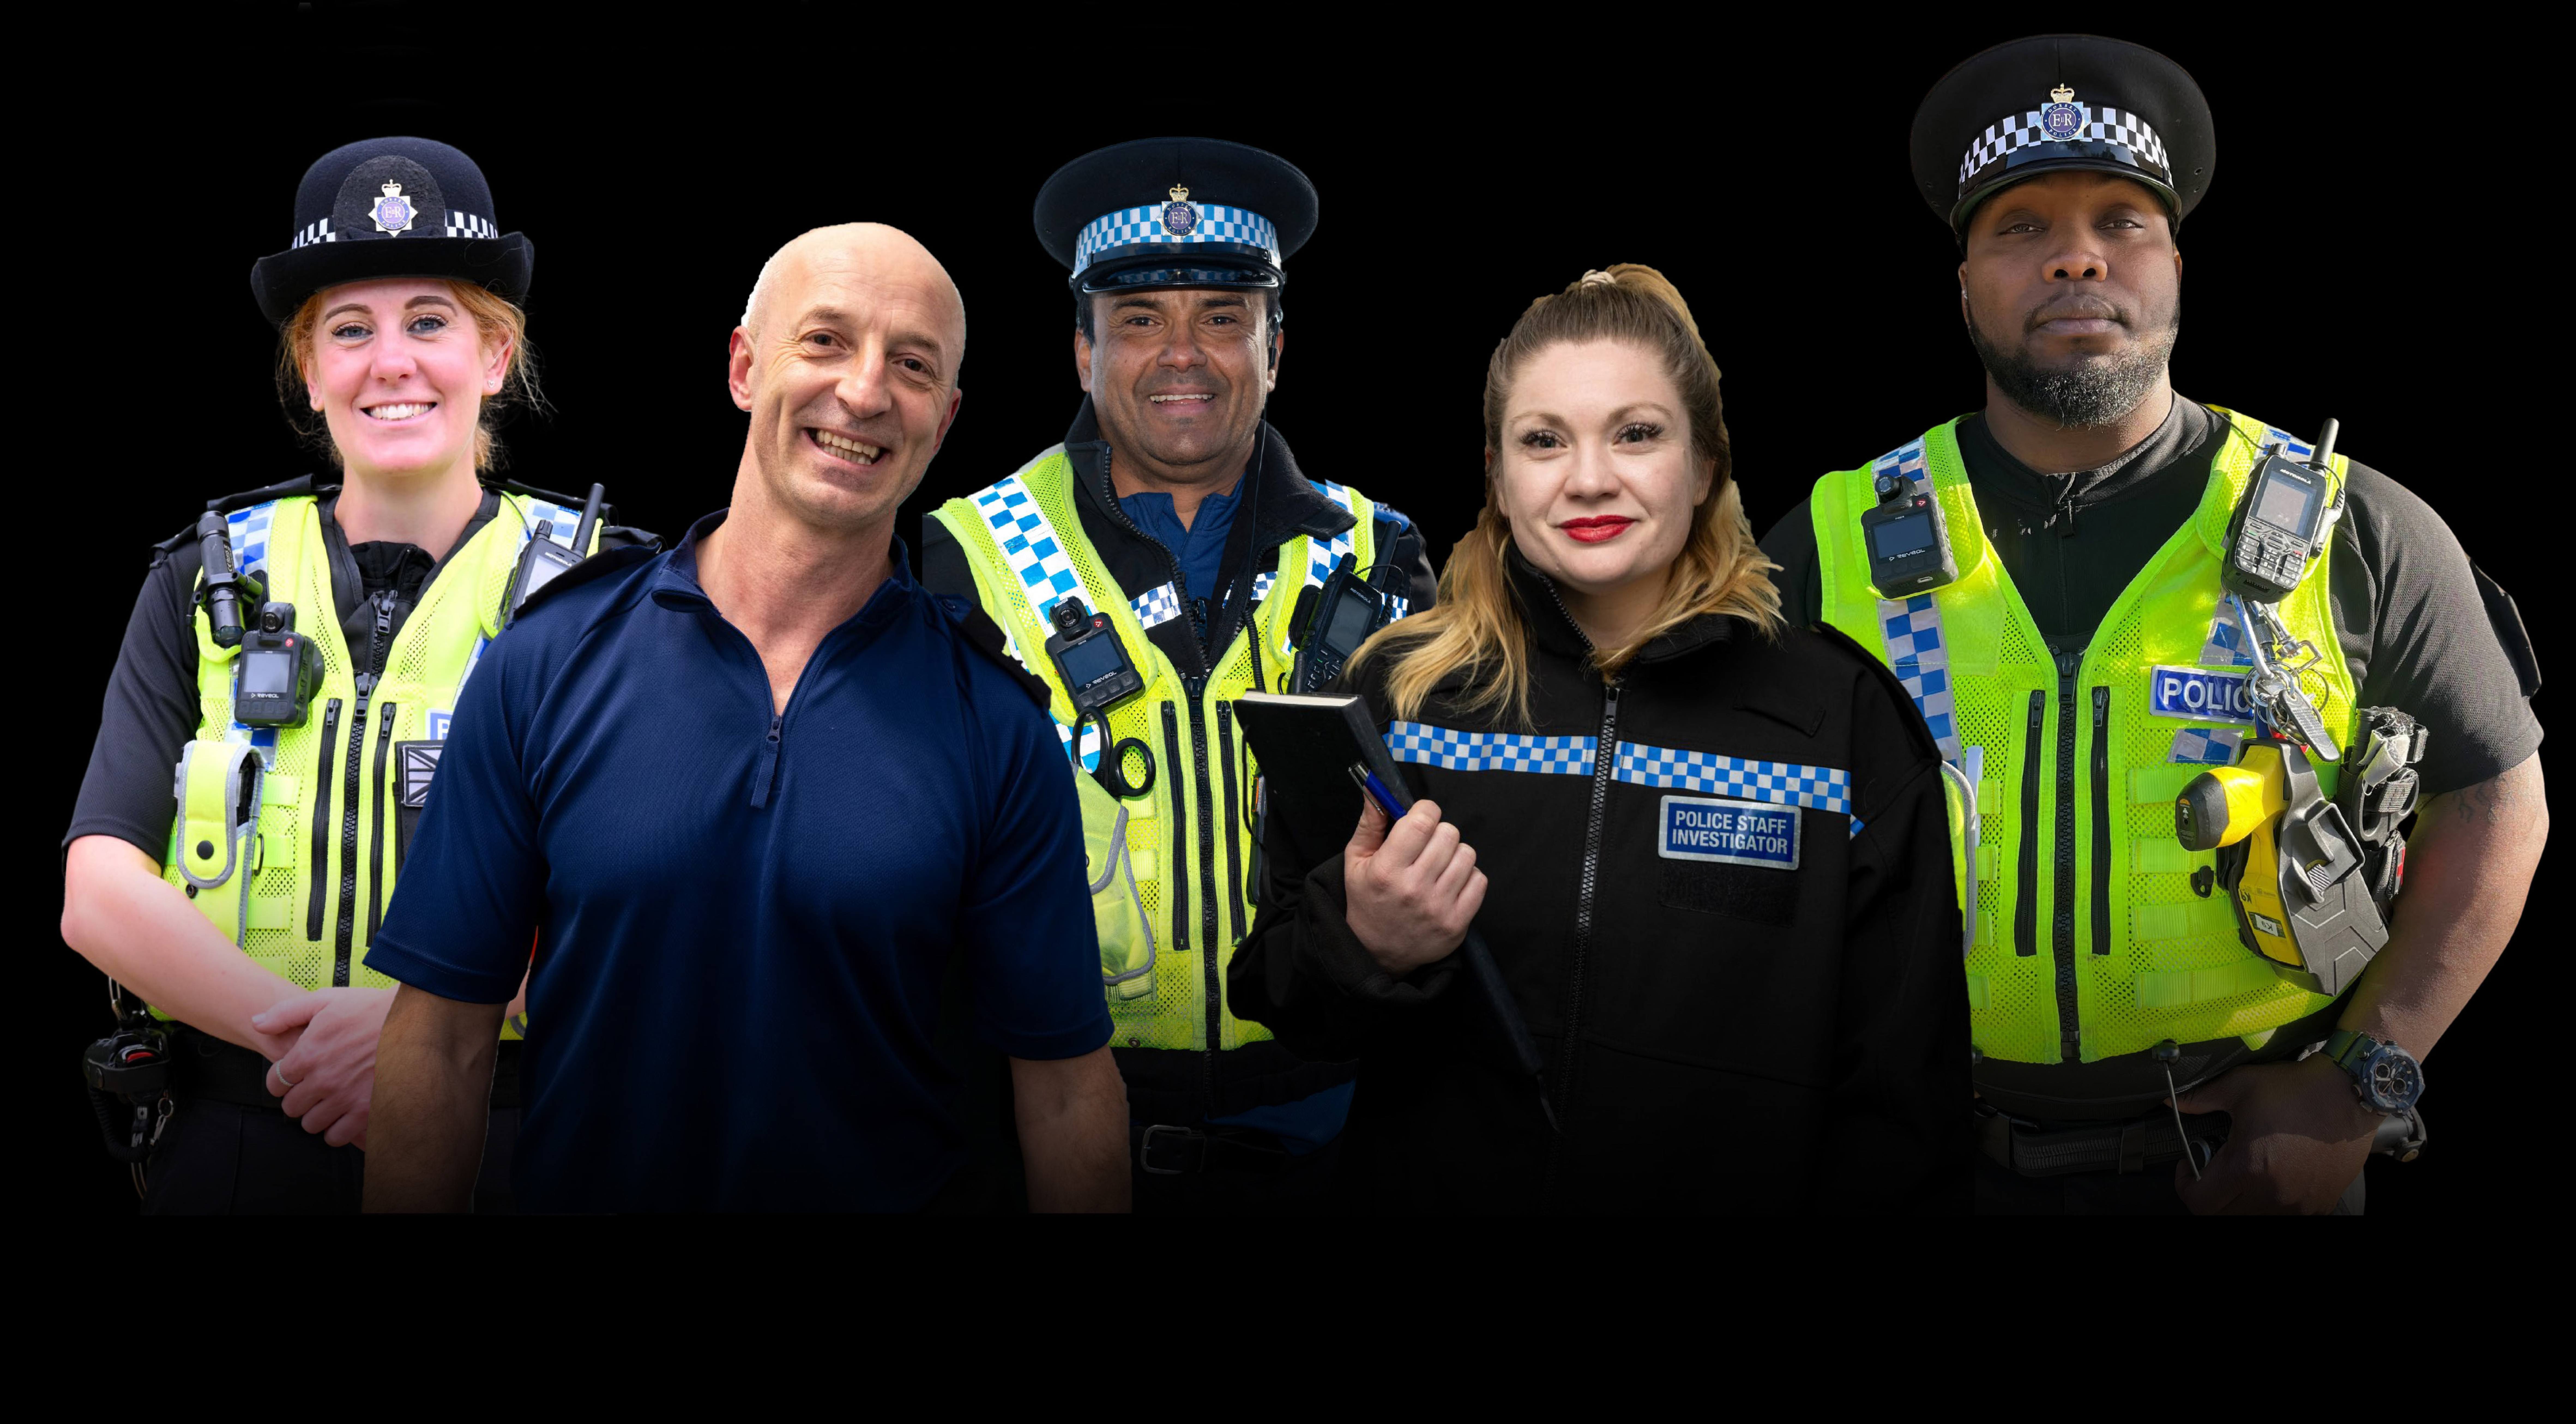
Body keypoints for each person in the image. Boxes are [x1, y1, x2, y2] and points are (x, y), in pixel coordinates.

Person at [1758, 35, 2549, 1213]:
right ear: (1963, 283)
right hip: (1910, 1157)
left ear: (2174, 266)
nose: (2076, 260)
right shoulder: (1822, 548)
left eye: (2119, 222)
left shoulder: (2355, 528)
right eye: (2020, 229)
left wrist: (2357, 1087)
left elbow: (2495, 805)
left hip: (2248, 1175)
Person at [361, 223, 1130, 1213]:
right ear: (742, 366)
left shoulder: (997, 724)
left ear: (941, 423)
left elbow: (1067, 1096)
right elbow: (440, 1042)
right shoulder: (545, 664)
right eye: (824, 341)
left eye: (910, 365)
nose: (862, 391)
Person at [1230, 266, 1972, 1212]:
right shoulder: (1398, 696)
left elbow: (1907, 1100)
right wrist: (1364, 942)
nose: (1588, 479)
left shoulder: (1838, 718)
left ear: (1705, 464)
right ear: (1497, 477)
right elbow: (1281, 1001)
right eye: (1543, 441)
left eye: (1636, 434)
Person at [58, 136, 638, 1213]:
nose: (392, 361)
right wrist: (319, 1041)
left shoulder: (619, 597)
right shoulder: (198, 580)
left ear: (496, 357)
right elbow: (98, 890)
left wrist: (421, 1044)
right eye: (349, 330)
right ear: (310, 370)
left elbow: (675, 906)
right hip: (238, 1136)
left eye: (431, 321)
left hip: (515, 1137)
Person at [923, 138, 1436, 1211]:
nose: (1182, 354)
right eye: (1140, 317)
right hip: (1043, 1130)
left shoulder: (1381, 554)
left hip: (1334, 1134)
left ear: (1275, 344)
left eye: (1220, 315)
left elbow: (1445, 844)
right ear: (1080, 348)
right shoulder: (956, 555)